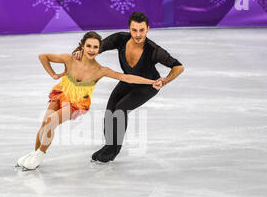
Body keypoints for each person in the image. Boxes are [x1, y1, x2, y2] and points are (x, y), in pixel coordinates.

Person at [16, 31, 162, 170]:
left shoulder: (100, 70)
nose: (92, 50)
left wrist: (151, 82)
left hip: (77, 103)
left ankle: (40, 155)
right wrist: (54, 75)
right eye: (89, 46)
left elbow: (126, 77)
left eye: (95, 47)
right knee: (44, 123)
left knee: (50, 121)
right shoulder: (70, 59)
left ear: (99, 49)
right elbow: (43, 56)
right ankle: (34, 154)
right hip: (61, 93)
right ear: (82, 46)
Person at [74, 12, 184, 163]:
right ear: (129, 29)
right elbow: (98, 47)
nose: (138, 34)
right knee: (110, 111)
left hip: (148, 85)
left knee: (121, 109)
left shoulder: (154, 51)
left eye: (141, 30)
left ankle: (113, 150)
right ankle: (109, 145)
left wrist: (165, 80)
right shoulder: (120, 39)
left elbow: (178, 66)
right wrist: (81, 52)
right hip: (128, 81)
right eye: (134, 30)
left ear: (148, 29)